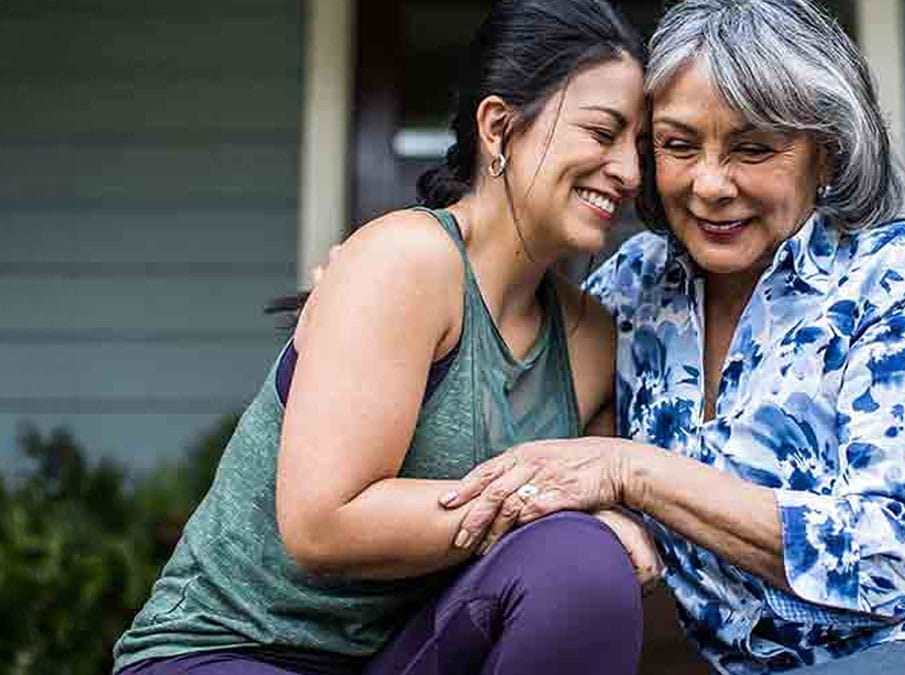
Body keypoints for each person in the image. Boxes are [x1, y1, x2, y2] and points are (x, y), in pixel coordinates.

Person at [438, 1, 905, 673]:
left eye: (753, 148)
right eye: (678, 146)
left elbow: (891, 560)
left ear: (827, 154)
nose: (709, 185)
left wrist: (632, 472)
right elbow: (545, 441)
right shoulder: (630, 289)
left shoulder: (899, 274)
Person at [111, 2, 659, 674]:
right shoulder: (407, 261)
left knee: (582, 565)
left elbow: (593, 537)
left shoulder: (592, 339)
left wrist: (605, 521)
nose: (630, 172)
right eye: (602, 133)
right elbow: (323, 524)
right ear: (499, 127)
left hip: (404, 655)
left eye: (640, 146)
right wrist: (537, 503)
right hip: (237, 650)